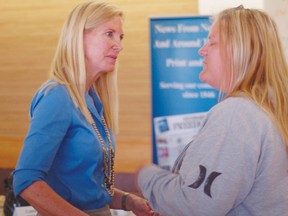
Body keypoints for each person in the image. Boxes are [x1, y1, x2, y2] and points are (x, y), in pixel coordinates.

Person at [136, 5, 288, 216]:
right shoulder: (270, 109)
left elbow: (194, 206)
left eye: (212, 42)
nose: (202, 50)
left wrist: (145, 174)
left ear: (240, 50)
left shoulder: (238, 114)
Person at [13, 1, 157, 216]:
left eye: (120, 37)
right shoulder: (58, 96)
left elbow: (85, 189)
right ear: (78, 37)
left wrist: (129, 201)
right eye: (109, 34)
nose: (119, 45)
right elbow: (26, 181)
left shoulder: (93, 100)